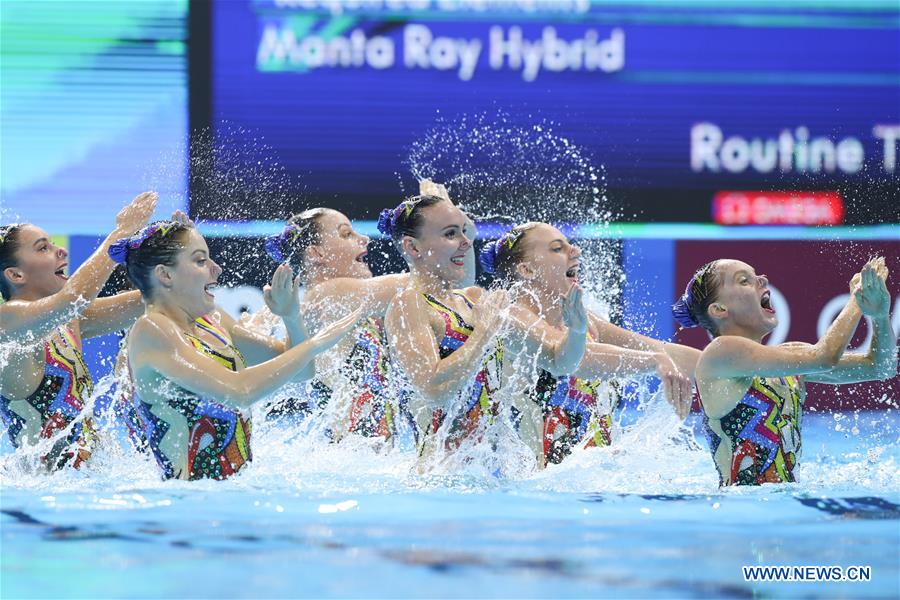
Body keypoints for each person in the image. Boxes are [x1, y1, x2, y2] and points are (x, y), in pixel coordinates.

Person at [117, 220, 360, 480]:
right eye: (200, 261)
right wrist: (315, 344)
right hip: (184, 506)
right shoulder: (151, 329)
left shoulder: (213, 320)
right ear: (165, 275)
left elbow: (301, 372)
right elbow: (239, 391)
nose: (216, 269)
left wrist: (291, 316)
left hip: (229, 498)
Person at [259, 179, 472, 442]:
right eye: (347, 234)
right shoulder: (330, 293)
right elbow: (439, 281)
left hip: (355, 460)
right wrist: (442, 227)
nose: (364, 239)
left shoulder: (335, 304)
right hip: (353, 463)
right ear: (316, 253)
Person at [381, 195, 589, 462]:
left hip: (495, 475)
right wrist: (483, 334)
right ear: (413, 247)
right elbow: (433, 390)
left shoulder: (476, 300)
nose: (466, 242)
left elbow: (560, 362)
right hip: (442, 480)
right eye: (450, 234)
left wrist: (577, 330)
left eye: (464, 232)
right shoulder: (409, 304)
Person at [480, 223, 699, 466]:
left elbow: (659, 349)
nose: (575, 251)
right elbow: (567, 360)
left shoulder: (585, 321)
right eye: (557, 249)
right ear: (527, 269)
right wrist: (654, 361)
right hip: (536, 491)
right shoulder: (511, 319)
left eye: (569, 245)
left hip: (587, 482)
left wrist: (733, 366)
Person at [674, 257, 895, 486]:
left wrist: (879, 315)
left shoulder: (788, 359)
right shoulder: (720, 354)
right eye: (744, 280)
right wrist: (858, 301)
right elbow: (824, 357)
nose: (762, 279)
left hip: (782, 505)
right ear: (719, 309)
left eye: (756, 274)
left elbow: (881, 368)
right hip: (739, 511)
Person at [0, 192, 158, 469]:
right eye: (42, 248)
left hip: (85, 483)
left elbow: (153, 297)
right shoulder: (7, 324)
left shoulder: (65, 321)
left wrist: (177, 261)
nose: (61, 250)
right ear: (15, 275)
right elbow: (75, 297)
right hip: (41, 494)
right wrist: (121, 233)